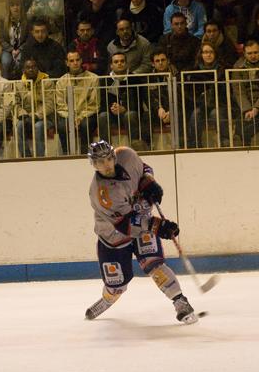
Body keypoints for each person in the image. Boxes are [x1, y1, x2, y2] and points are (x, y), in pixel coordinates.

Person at [84, 139, 197, 324]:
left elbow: (144, 169)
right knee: (117, 284)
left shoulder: (127, 156)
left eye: (107, 159)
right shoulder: (101, 193)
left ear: (114, 156)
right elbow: (125, 225)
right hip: (114, 236)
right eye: (99, 162)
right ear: (93, 164)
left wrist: (149, 183)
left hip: (142, 221)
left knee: (155, 264)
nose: (105, 165)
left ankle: (180, 301)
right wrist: (158, 226)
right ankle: (107, 298)